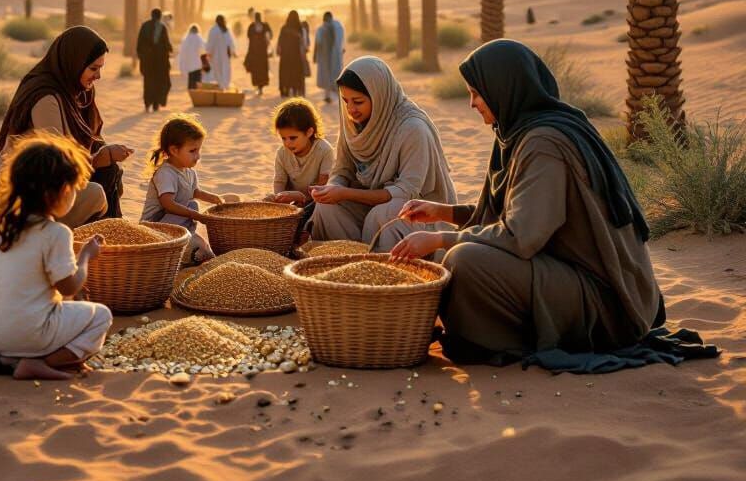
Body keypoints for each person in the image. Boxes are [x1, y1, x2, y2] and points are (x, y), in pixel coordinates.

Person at [391, 39, 664, 364]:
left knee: (463, 259)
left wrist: (440, 236)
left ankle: (491, 342)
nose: (472, 103)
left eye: (476, 93)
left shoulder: (543, 143)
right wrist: (444, 213)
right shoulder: (519, 133)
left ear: (504, 89)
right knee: (446, 254)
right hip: (566, 273)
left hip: (604, 301)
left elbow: (521, 235)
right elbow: (509, 213)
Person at [0, 133, 113, 381]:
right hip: (29, 332)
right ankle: (38, 362)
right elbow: (69, 285)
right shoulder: (55, 233)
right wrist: (85, 258)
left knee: (25, 308)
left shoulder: (1, 228)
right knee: (101, 316)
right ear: (57, 193)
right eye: (72, 189)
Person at [309, 56, 456, 250]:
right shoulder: (352, 124)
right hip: (369, 205)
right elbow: (342, 170)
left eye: (358, 102)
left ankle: (381, 267)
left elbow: (406, 192)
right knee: (326, 209)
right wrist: (332, 189)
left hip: (419, 213)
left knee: (385, 213)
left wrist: (345, 193)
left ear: (378, 96)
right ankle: (350, 262)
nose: (351, 109)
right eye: (345, 101)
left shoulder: (412, 128)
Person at [0, 26, 134, 220]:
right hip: (32, 191)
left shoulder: (78, 91)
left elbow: (90, 140)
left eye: (100, 68)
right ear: (74, 63)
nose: (98, 76)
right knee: (95, 193)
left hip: (62, 182)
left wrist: (105, 156)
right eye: (93, 68)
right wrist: (100, 158)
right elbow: (56, 164)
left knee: (110, 172)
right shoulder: (44, 97)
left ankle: (107, 241)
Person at [140, 114, 227, 264]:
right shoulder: (165, 173)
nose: (198, 156)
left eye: (199, 150)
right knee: (192, 209)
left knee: (193, 203)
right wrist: (196, 215)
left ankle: (187, 236)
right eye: (192, 151)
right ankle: (178, 240)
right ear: (174, 150)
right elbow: (168, 203)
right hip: (155, 225)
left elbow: (194, 192)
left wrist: (212, 198)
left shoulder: (189, 171)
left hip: (174, 219)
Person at [267, 98, 334, 242]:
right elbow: (279, 182)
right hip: (294, 203)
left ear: (309, 132)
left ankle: (303, 232)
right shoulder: (282, 153)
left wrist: (301, 197)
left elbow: (323, 187)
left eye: (293, 138)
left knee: (319, 209)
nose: (287, 143)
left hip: (317, 202)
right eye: (283, 138)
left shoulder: (324, 150)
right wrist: (279, 199)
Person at [136, 8, 173, 112]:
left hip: (148, 61)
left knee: (148, 83)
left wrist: (142, 58)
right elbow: (167, 44)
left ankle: (147, 104)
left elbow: (139, 45)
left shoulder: (144, 26)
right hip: (160, 62)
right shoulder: (162, 27)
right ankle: (156, 104)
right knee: (158, 82)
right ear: (160, 16)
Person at [313, 11, 345, 104]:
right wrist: (340, 49)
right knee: (337, 74)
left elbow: (318, 43)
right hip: (336, 56)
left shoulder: (321, 29)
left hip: (325, 56)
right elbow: (341, 41)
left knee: (327, 75)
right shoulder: (338, 26)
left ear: (324, 18)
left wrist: (316, 55)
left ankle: (328, 96)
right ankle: (340, 97)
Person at [276, 10, 306, 98]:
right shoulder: (299, 28)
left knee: (286, 73)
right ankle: (295, 90)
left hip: (286, 56)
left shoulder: (284, 28)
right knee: (296, 73)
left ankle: (286, 90)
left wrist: (279, 50)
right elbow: (302, 41)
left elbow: (280, 41)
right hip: (296, 56)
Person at [243, 11, 272, 95]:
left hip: (255, 53)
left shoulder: (252, 26)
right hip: (261, 53)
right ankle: (260, 88)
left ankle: (259, 87)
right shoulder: (265, 26)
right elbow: (270, 36)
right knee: (261, 70)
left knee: (257, 71)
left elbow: (249, 37)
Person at [205, 15, 236, 91]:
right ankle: (224, 86)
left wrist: (209, 52)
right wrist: (232, 52)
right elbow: (231, 43)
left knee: (217, 71)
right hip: (225, 56)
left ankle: (222, 86)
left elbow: (210, 43)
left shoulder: (213, 30)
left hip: (216, 56)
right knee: (225, 71)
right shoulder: (226, 30)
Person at [177, 24, 209, 90]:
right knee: (197, 83)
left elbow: (182, 53)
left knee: (191, 82)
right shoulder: (199, 38)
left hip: (189, 65)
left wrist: (182, 65)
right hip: (197, 65)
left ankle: (192, 95)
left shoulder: (185, 39)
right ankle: (197, 96)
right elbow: (204, 49)